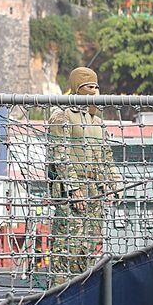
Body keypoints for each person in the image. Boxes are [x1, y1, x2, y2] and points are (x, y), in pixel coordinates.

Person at [47, 66, 121, 285]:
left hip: (94, 193)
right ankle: (57, 296)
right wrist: (73, 187)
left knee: (87, 250)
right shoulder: (62, 116)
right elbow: (60, 154)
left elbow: (106, 155)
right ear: (78, 87)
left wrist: (113, 182)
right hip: (72, 196)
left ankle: (79, 293)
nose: (95, 91)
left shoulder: (96, 121)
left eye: (97, 86)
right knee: (65, 250)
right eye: (90, 86)